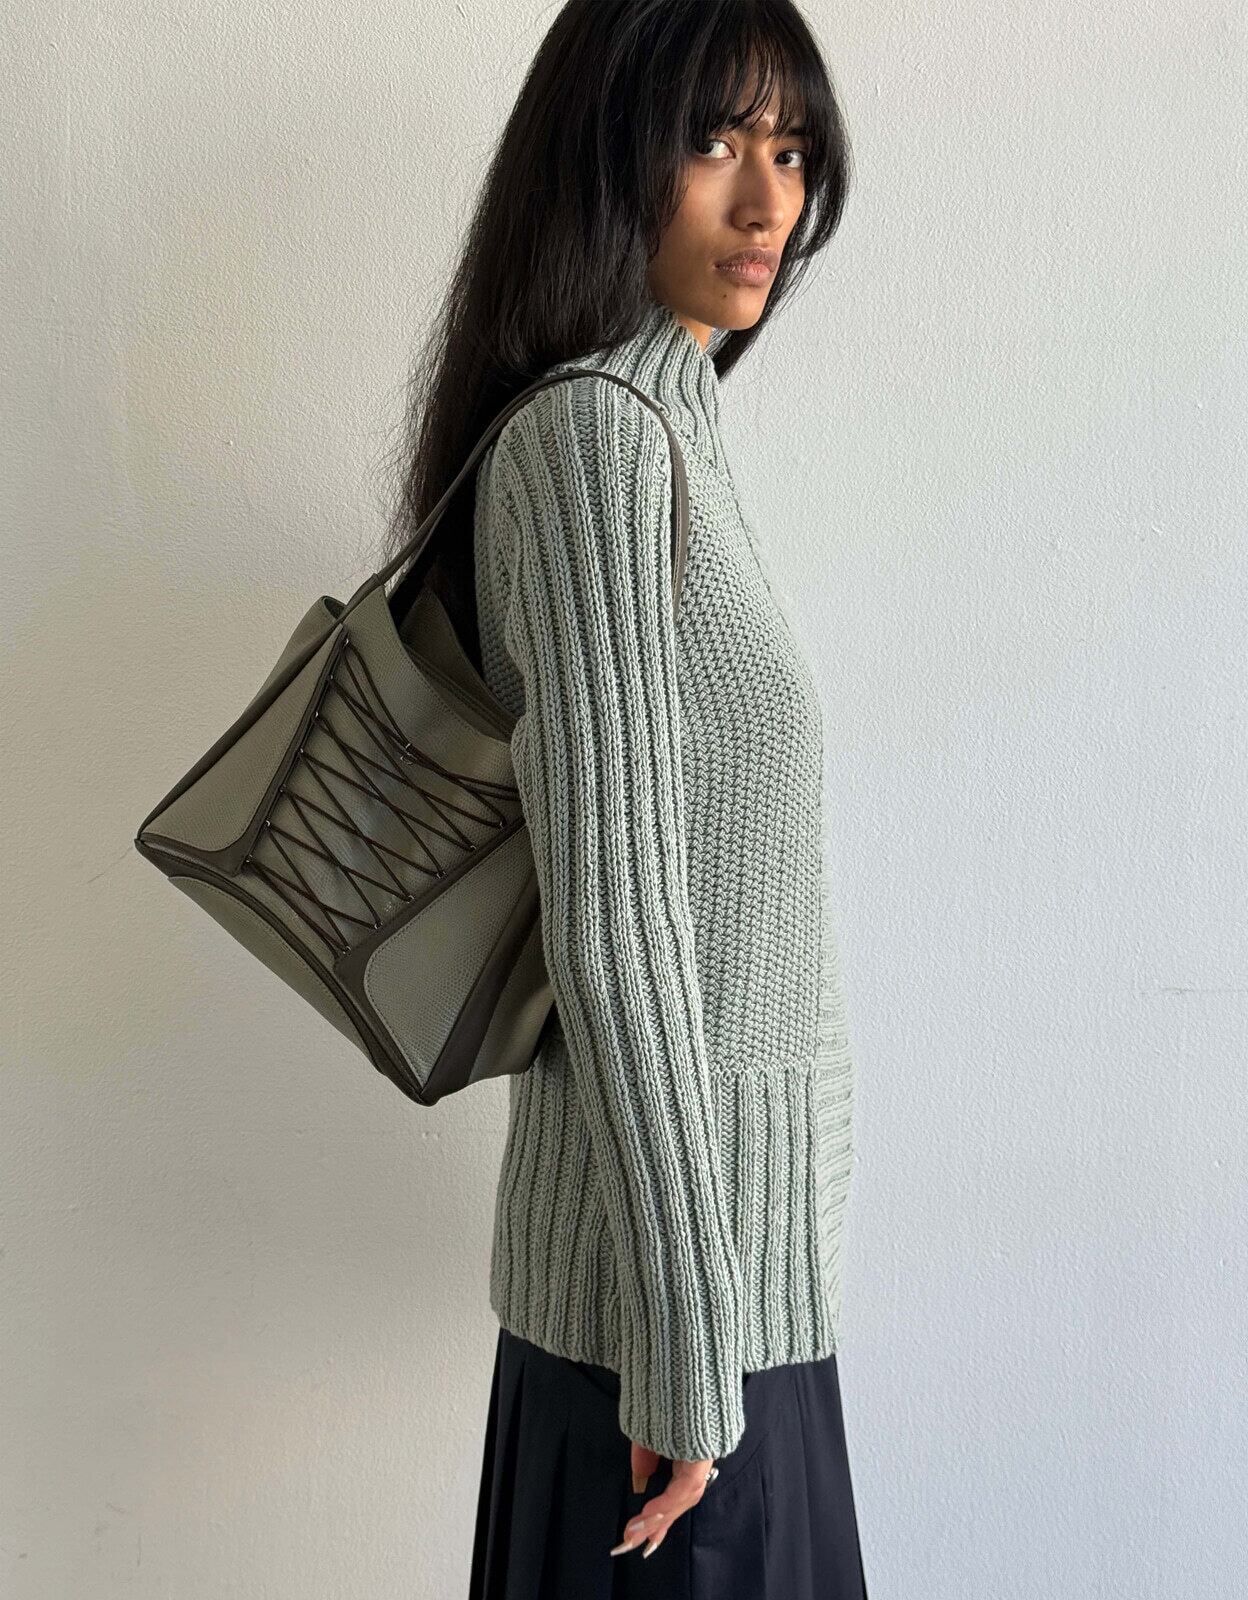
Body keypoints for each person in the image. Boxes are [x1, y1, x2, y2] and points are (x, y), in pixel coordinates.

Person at [382, 2, 868, 1594]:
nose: (767, 198)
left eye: (790, 147)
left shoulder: (678, 435)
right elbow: (619, 926)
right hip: (661, 1353)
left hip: (724, 1309)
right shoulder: (593, 440)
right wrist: (684, 1347)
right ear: (607, 154)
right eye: (713, 140)